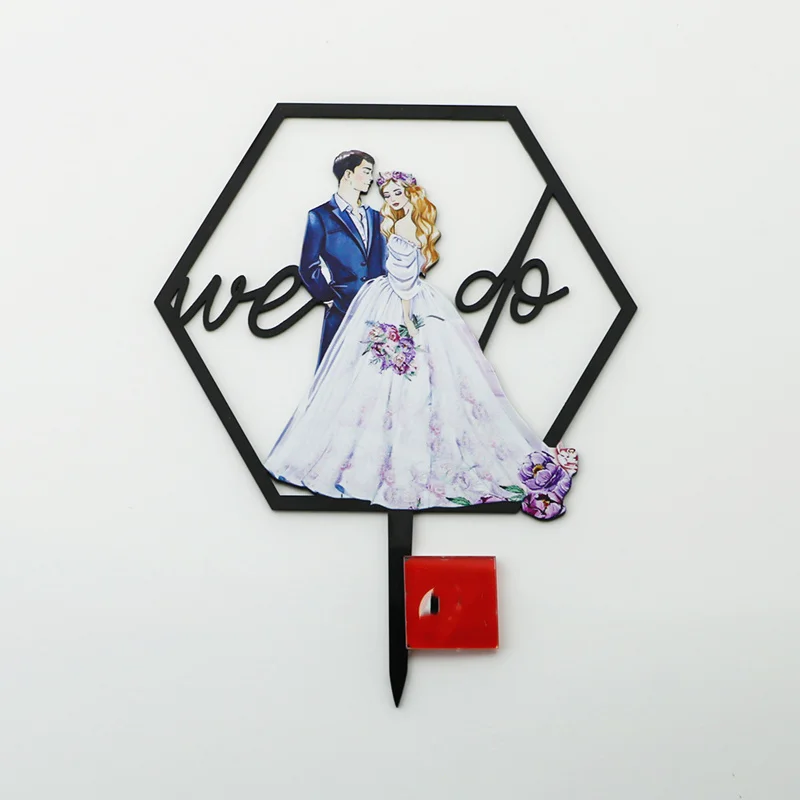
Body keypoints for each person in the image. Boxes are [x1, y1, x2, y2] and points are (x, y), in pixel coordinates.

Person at [266, 171, 577, 518]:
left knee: (388, 381)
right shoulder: (402, 223)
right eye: (387, 194)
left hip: (401, 302)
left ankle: (379, 458)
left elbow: (405, 279)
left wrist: (406, 319)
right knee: (396, 382)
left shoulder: (401, 226)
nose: (391, 199)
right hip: (397, 297)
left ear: (410, 194)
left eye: (397, 193)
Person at [298, 150, 388, 366]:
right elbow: (308, 266)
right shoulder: (320, 216)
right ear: (348, 174)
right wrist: (329, 298)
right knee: (336, 372)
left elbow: (384, 261)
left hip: (378, 310)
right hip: (341, 310)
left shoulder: (376, 217)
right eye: (366, 171)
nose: (371, 178)